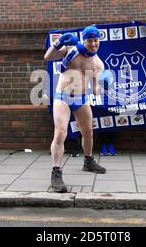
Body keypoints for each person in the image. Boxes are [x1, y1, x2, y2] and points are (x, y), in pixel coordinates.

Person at [44, 26, 107, 193]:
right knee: (60, 133)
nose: (93, 44)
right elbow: (48, 56)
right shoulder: (70, 50)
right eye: (90, 41)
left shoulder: (97, 64)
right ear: (84, 40)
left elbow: (95, 90)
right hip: (62, 97)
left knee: (88, 132)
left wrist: (104, 85)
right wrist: (57, 43)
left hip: (81, 99)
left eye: (96, 40)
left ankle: (88, 161)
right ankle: (56, 172)